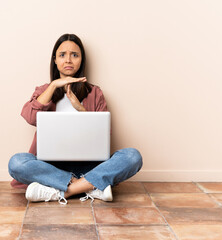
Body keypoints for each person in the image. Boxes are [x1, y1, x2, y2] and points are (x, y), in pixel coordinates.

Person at [8, 33, 142, 205]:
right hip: (50, 167)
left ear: (81, 60)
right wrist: (53, 85)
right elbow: (30, 116)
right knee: (17, 162)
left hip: (89, 166)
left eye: (75, 55)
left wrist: (81, 110)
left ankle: (60, 191)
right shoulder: (43, 90)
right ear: (55, 60)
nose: (68, 60)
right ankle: (91, 187)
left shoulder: (95, 93)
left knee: (132, 156)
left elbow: (102, 135)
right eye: (62, 55)